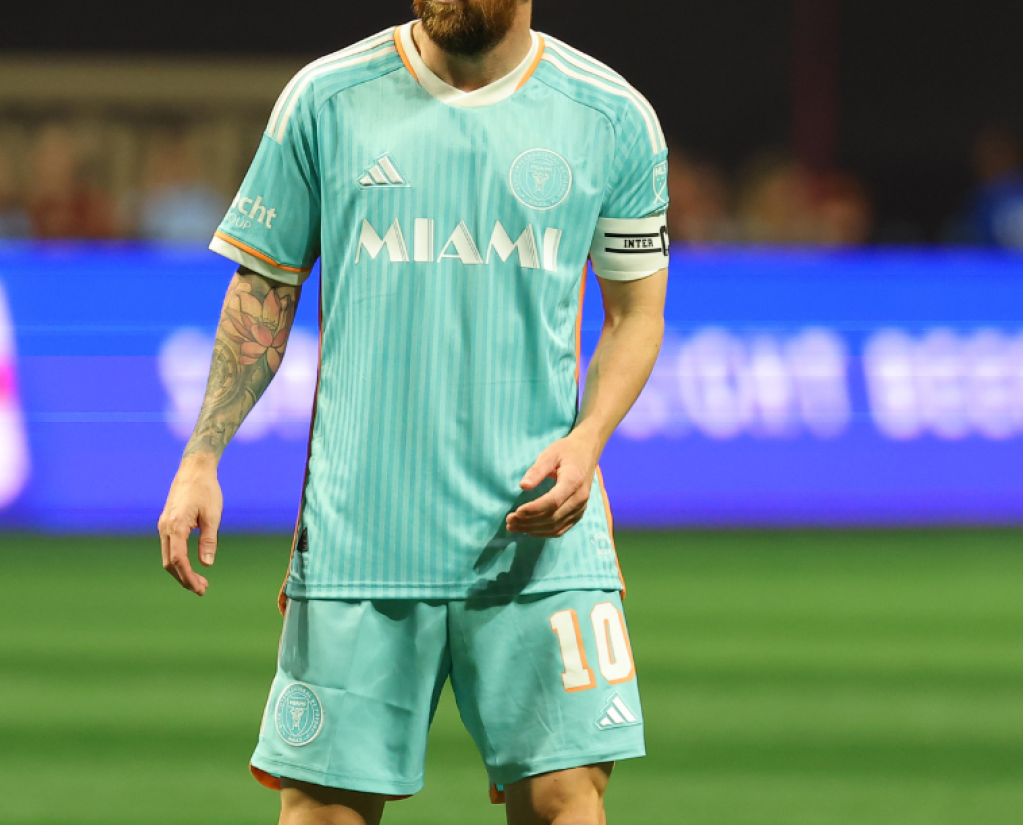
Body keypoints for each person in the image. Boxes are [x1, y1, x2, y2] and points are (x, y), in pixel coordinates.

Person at [155, 2, 668, 823]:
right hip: (361, 537)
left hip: (536, 536)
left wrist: (589, 438)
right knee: (322, 810)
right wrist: (201, 456)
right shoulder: (325, 99)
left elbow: (635, 314)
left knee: (565, 802)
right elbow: (264, 288)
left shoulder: (611, 116)